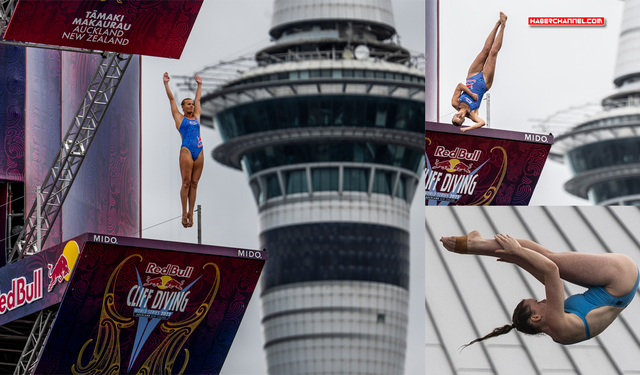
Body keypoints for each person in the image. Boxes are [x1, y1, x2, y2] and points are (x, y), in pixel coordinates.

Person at [440, 231, 639, 346]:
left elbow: (550, 283)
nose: (542, 300)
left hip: (618, 289)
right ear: (535, 317)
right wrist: (518, 253)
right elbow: (551, 271)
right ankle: (474, 245)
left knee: (540, 255)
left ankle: (477, 244)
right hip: (620, 276)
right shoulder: (554, 321)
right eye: (537, 303)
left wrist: (519, 260)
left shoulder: (557, 332)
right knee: (549, 257)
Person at [451, 12, 507, 132]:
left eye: (456, 117)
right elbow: (482, 122)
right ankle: (503, 24)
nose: (458, 116)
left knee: (485, 50)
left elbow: (460, 86)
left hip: (472, 77)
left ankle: (497, 23)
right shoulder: (472, 114)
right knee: (493, 53)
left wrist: (471, 95)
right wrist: (467, 129)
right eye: (459, 119)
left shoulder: (455, 103)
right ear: (463, 121)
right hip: (484, 83)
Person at [164, 72, 204, 228]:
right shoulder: (179, 118)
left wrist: (199, 85)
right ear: (183, 107)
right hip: (186, 150)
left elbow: (199, 99)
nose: (191, 105)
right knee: (186, 182)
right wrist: (166, 83)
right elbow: (172, 99)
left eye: (192, 104)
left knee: (194, 184)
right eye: (188, 104)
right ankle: (183, 213)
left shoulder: (197, 116)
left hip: (199, 151)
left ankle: (191, 214)